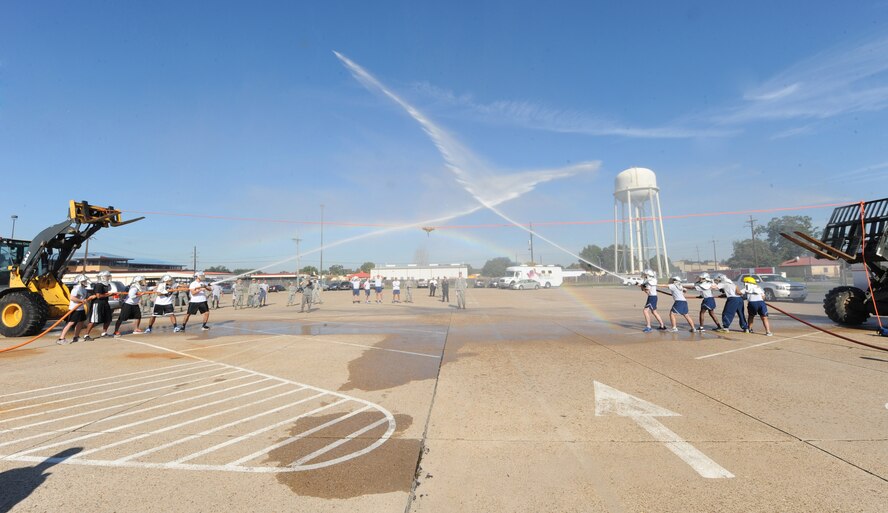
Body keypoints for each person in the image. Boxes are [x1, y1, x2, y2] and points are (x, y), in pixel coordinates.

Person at [58, 274, 90, 344]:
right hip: (74, 309)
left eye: (85, 281)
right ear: (80, 281)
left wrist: (84, 300)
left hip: (81, 308)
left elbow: (83, 298)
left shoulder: (84, 289)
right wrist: (81, 301)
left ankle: (76, 337)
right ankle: (61, 338)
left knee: (81, 322)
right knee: (71, 323)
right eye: (84, 281)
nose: (85, 282)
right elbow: (72, 298)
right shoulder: (76, 289)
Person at [83, 270, 114, 340]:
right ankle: (86, 335)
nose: (108, 278)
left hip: (105, 303)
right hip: (97, 304)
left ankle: (104, 333)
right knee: (93, 320)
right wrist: (109, 295)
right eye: (107, 276)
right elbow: (98, 296)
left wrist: (110, 294)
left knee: (108, 319)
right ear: (102, 277)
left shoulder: (106, 285)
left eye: (108, 276)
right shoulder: (98, 285)